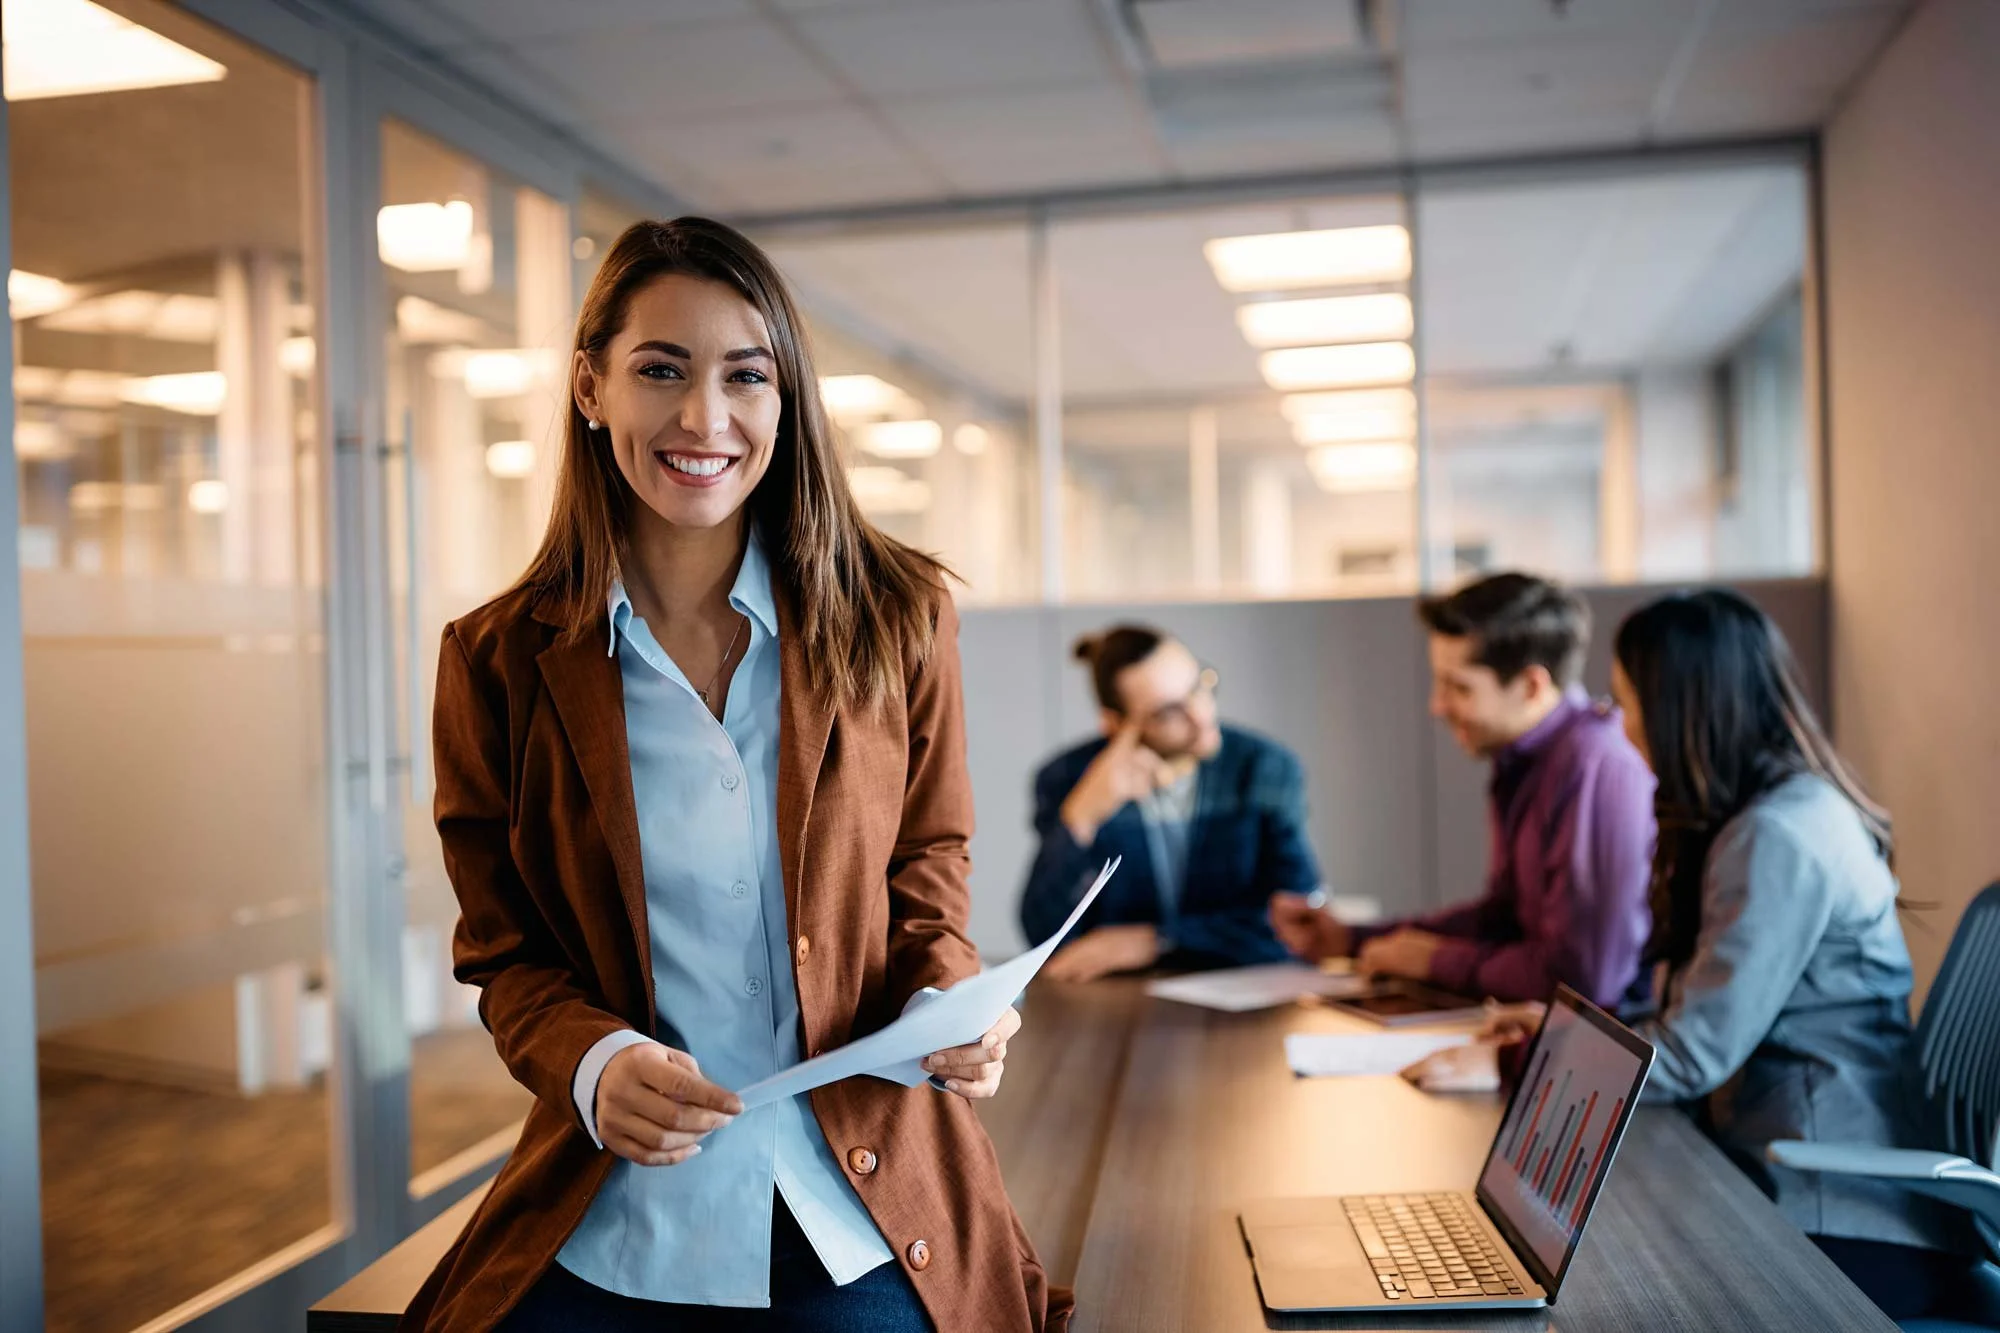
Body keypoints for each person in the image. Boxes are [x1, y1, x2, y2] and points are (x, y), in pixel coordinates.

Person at [404, 219, 1066, 1333]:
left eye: (744, 376)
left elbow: (927, 861)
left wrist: (947, 991)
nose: (704, 418)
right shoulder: (498, 659)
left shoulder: (898, 616)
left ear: (784, 399)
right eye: (659, 369)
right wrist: (593, 1061)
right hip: (617, 1213)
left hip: (851, 1193)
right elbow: (503, 950)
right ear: (589, 387)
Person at [1402, 590, 1977, 1322]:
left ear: (1682, 706)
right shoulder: (1756, 817)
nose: (1617, 719)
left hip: (1842, 1210)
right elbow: (1695, 1011)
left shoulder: (1781, 835)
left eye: (1626, 697)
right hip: (1782, 1165)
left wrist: (1526, 1064)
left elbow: (1694, 1052)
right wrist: (1556, 1036)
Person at [1270, 572, 1653, 1007]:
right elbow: (1504, 919)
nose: (1437, 705)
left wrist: (1436, 962)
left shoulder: (1596, 769)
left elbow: (1585, 981)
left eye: (1459, 687)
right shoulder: (1524, 760)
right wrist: (1353, 939)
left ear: (1531, 686)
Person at [1021, 626, 1322, 983]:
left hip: (1243, 995)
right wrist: (1081, 818)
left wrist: (1157, 940)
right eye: (1168, 712)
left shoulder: (1264, 769)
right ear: (1115, 725)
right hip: (1116, 1004)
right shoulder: (1068, 778)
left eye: (1198, 687)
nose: (1201, 716)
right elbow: (1043, 935)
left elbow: (1301, 926)